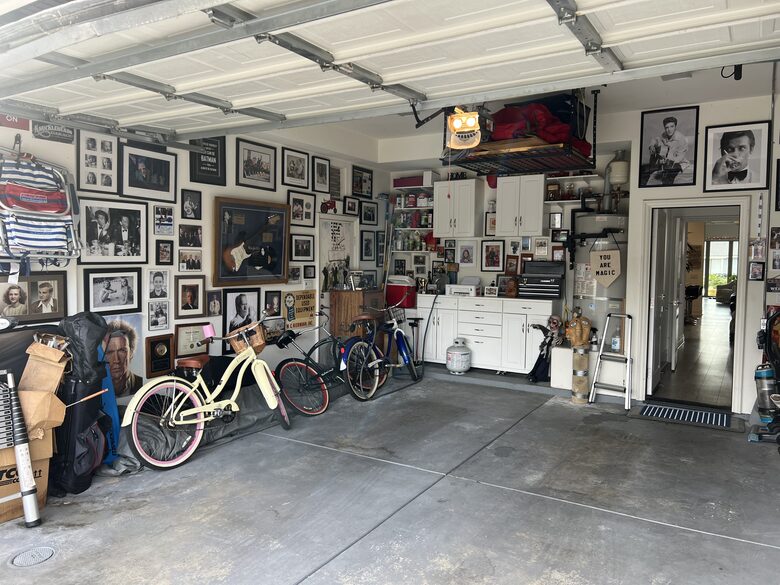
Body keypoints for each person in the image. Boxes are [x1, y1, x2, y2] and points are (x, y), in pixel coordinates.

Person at [104, 320, 143, 398]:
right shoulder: (96, 387)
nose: (116, 360)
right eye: (109, 352)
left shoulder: (141, 383)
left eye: (122, 351)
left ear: (131, 353)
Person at [646, 116, 689, 185]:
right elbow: (655, 139)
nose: (669, 130)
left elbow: (679, 157)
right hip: (665, 162)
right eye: (667, 127)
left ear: (675, 126)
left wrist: (667, 160)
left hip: (678, 162)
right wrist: (651, 146)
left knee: (667, 179)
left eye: (672, 126)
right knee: (650, 175)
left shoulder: (681, 139)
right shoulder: (664, 134)